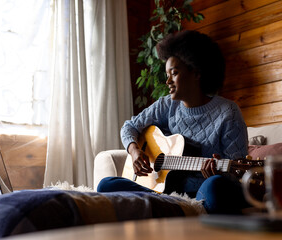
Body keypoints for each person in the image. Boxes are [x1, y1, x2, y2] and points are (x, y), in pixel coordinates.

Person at [97, 30, 250, 214]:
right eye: (167, 74)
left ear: (196, 72)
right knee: (106, 184)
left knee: (216, 186)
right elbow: (129, 127)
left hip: (202, 191)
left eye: (174, 73)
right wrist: (135, 150)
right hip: (165, 191)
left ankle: (170, 209)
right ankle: (170, 207)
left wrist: (220, 172)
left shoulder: (228, 112)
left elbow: (238, 175)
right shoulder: (167, 105)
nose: (168, 81)